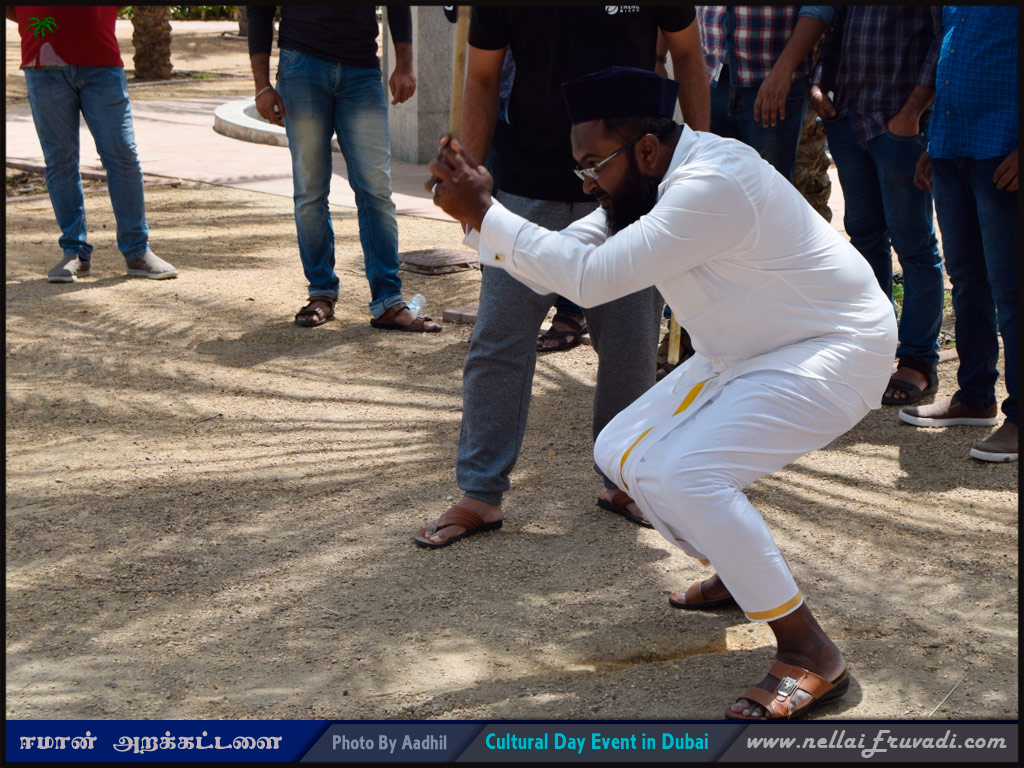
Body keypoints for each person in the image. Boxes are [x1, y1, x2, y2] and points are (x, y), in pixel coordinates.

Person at [428, 66, 895, 719]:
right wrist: (480, 222)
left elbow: (589, 279)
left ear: (646, 149)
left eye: (593, 166)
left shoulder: (711, 184)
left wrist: (486, 211)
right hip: (746, 350)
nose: (585, 184)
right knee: (618, 449)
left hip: (835, 349)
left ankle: (811, 653)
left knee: (685, 473)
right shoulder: (646, 187)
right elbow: (563, 257)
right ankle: (744, 571)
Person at [413, 6, 710, 547]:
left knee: (630, 344)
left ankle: (622, 481)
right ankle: (480, 493)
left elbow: (688, 55)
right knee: (498, 337)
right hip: (527, 186)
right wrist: (468, 181)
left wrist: (694, 166)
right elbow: (482, 77)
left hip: (629, 188)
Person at [246, 6, 439, 332]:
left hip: (361, 69)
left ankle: (389, 302)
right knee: (310, 190)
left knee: (376, 190)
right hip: (302, 65)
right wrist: (262, 85)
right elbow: (259, 10)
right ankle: (321, 292)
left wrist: (405, 64)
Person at [900, 6, 1018, 463]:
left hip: (1002, 150)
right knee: (968, 279)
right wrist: (937, 142)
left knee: (1012, 289)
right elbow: (952, 60)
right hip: (953, 147)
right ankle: (975, 396)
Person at [811, 6, 944, 407]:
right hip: (849, 119)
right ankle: (873, 351)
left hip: (899, 125)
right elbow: (836, 29)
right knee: (866, 239)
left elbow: (943, 40)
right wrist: (820, 85)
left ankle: (918, 361)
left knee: (915, 246)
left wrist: (912, 112)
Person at [11, 5, 178, 282]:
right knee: (59, 160)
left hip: (101, 58)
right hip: (42, 61)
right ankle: (74, 251)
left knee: (122, 154)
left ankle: (137, 250)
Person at [699, 5, 835, 182]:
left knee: (768, 187)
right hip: (713, 77)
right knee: (714, 185)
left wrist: (783, 70)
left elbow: (818, 8)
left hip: (772, 82)